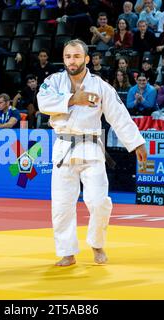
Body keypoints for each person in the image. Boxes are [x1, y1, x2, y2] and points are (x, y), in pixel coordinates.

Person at [37, 39, 147, 267]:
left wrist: (136, 143)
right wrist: (72, 99)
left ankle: (97, 243)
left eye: (77, 56)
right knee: (61, 204)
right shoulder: (53, 81)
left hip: (91, 146)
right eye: (68, 56)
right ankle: (67, 252)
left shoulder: (101, 86)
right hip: (63, 147)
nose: (72, 61)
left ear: (87, 59)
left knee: (98, 201)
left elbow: (119, 115)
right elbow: (42, 102)